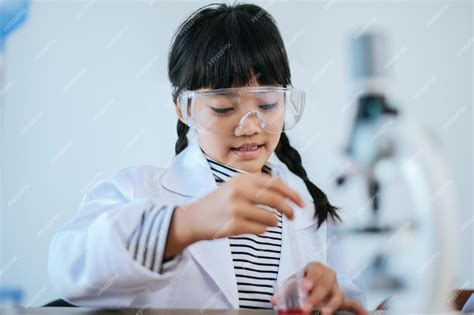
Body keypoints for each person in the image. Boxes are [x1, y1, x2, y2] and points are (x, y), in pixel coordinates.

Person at [48, 3, 367, 314]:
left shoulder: (311, 209)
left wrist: (331, 298)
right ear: (182, 108)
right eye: (224, 109)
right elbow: (70, 269)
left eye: (268, 104)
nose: (251, 127)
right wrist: (182, 226)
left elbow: (358, 298)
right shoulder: (135, 191)